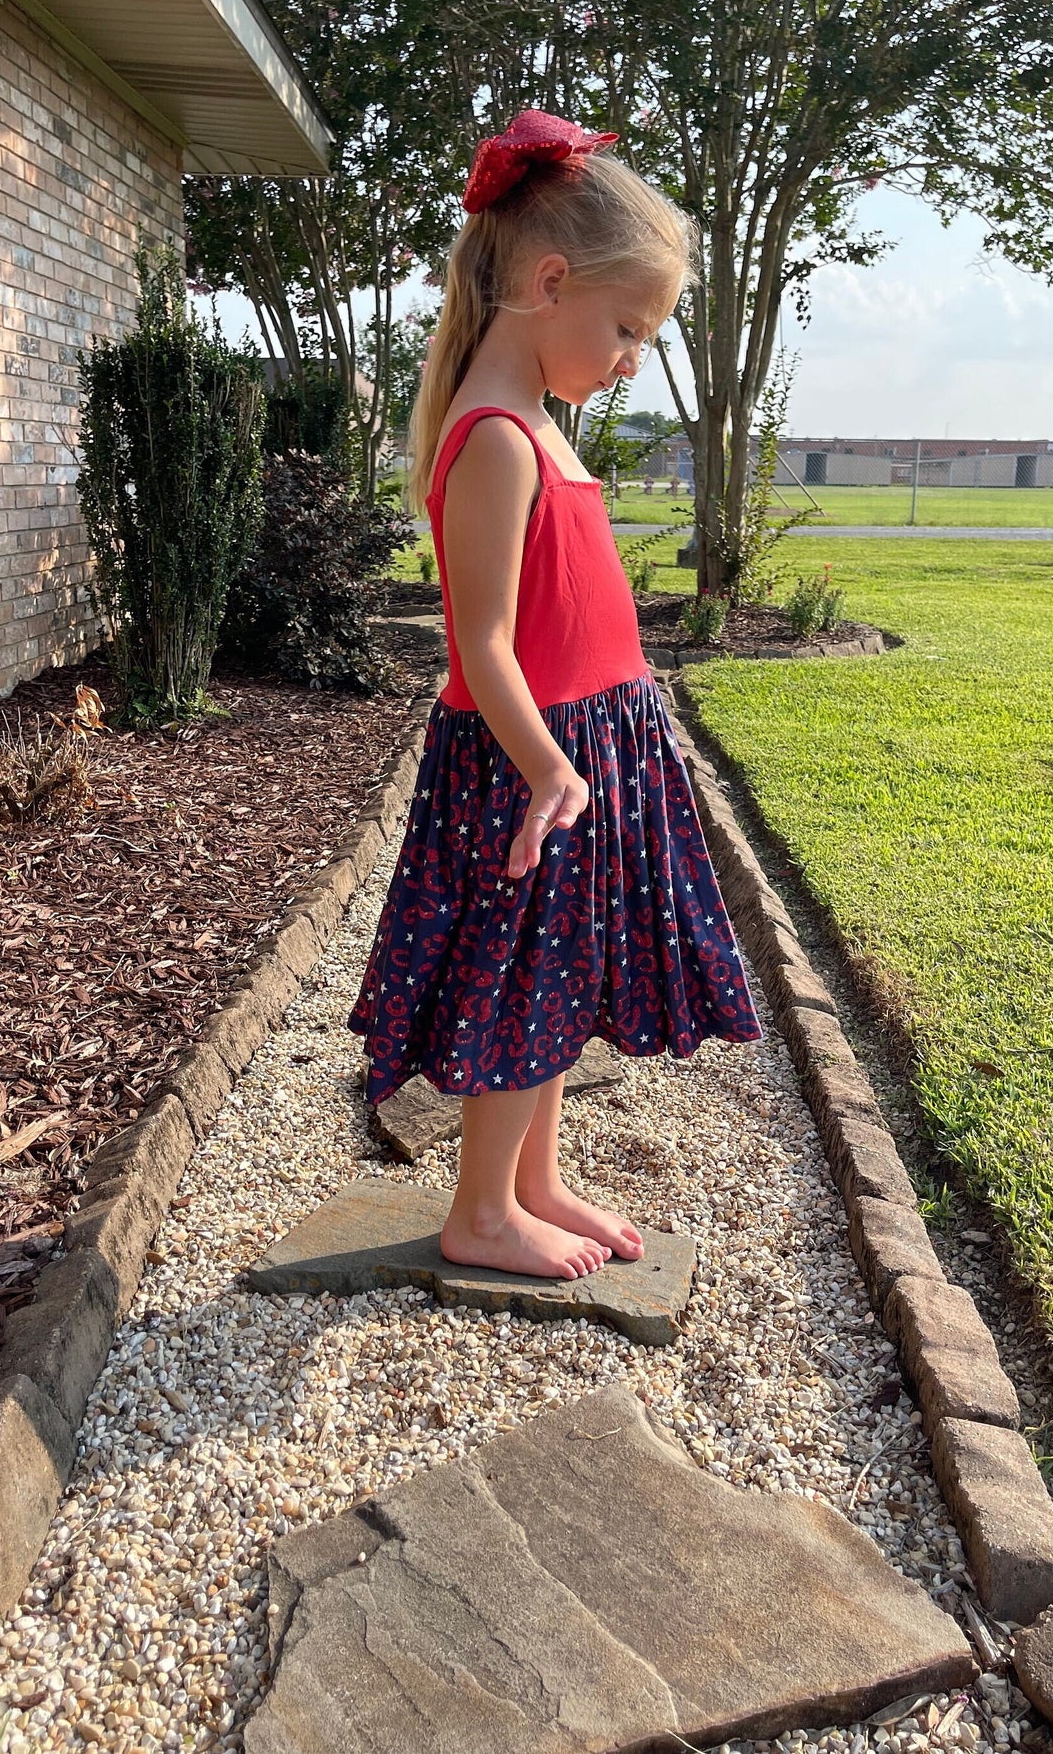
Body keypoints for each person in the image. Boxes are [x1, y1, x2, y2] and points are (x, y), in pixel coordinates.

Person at [347, 109, 763, 1282]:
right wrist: (548, 768)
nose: (632, 355)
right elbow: (479, 642)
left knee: (562, 971)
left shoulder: (540, 424)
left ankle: (532, 1180)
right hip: (531, 763)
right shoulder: (494, 438)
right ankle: (478, 1209)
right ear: (546, 282)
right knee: (519, 976)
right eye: (627, 326)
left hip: (588, 743)